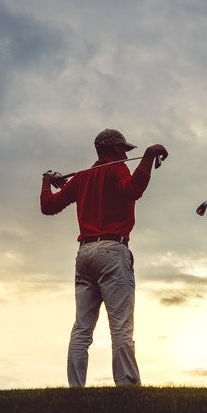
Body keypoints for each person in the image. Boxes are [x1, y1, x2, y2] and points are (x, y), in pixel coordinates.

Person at [40, 128, 168, 387]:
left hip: (85, 253)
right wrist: (148, 156)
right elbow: (133, 190)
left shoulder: (83, 176)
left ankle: (75, 388)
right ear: (114, 149)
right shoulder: (116, 168)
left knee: (82, 327)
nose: (124, 153)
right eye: (123, 149)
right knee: (120, 324)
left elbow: (48, 206)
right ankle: (127, 386)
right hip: (112, 249)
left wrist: (46, 180)